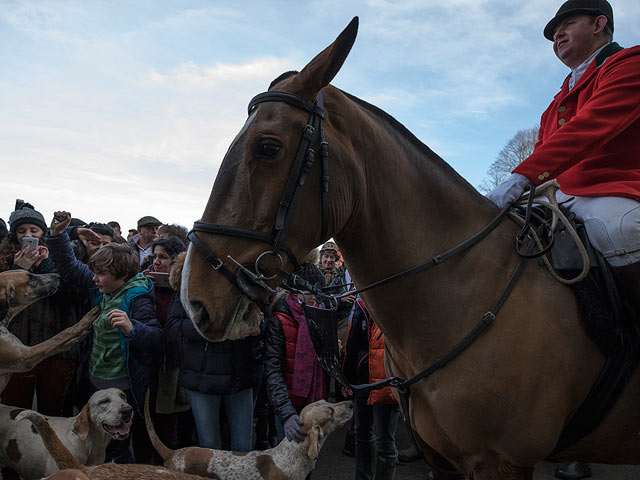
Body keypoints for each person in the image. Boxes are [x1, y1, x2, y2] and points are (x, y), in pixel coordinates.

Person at [487, 1, 639, 479]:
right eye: (551, 31)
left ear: (600, 24)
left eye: (565, 25)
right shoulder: (557, 97)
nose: (556, 36)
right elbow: (550, 154)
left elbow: (594, 130)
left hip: (618, 191)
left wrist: (522, 175)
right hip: (564, 198)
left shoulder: (629, 64)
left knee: (622, 231)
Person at [46, 210, 164, 464]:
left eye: (101, 274)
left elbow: (157, 339)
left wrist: (132, 328)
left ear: (121, 275)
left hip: (122, 388)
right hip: (95, 381)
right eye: (95, 273)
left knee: (116, 447)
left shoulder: (137, 298)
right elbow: (68, 266)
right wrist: (59, 234)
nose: (95, 278)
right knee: (99, 443)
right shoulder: (103, 290)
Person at [0, 204, 85, 480]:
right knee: (13, 420)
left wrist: (46, 266)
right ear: (14, 236)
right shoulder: (5, 260)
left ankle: (55, 472)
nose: (28, 235)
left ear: (43, 232)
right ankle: (13, 468)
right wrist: (17, 269)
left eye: (34, 230)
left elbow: (75, 293)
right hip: (15, 354)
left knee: (53, 417)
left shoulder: (62, 256)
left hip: (58, 352)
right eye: (21, 231)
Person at [167, 251, 259, 452]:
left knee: (243, 447)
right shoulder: (190, 280)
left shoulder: (245, 280)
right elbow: (174, 326)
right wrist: (214, 330)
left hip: (239, 375)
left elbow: (266, 319)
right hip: (201, 377)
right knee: (209, 447)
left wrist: (254, 328)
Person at [264, 262, 327, 444]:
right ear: (297, 291)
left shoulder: (319, 315)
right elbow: (273, 370)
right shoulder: (279, 321)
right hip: (289, 408)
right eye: (311, 292)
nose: (316, 297)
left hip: (313, 406)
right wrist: (286, 414)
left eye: (319, 291)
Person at [342, 299, 400, 480]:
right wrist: (347, 378)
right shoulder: (363, 304)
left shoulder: (398, 304)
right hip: (364, 379)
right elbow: (352, 344)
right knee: (362, 432)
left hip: (387, 382)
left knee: (384, 440)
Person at [142, 236, 189, 459]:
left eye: (163, 257)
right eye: (154, 257)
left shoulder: (186, 290)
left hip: (174, 366)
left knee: (169, 425)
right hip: (149, 362)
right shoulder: (146, 285)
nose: (157, 262)